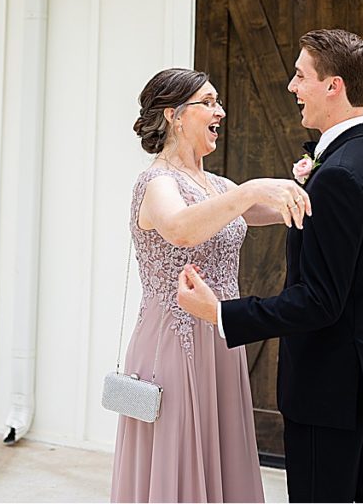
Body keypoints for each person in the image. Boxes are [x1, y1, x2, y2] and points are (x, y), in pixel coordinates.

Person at [177, 29, 363, 503]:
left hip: (332, 388)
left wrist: (220, 313)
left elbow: (320, 301)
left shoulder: (339, 175)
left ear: (333, 86)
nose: (291, 86)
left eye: (301, 75)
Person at [112, 68, 310, 503]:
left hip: (221, 336)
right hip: (172, 341)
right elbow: (181, 229)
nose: (220, 110)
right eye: (208, 102)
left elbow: (266, 211)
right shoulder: (156, 182)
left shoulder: (217, 185)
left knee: (220, 449)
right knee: (177, 449)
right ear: (175, 116)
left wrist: (309, 187)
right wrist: (253, 188)